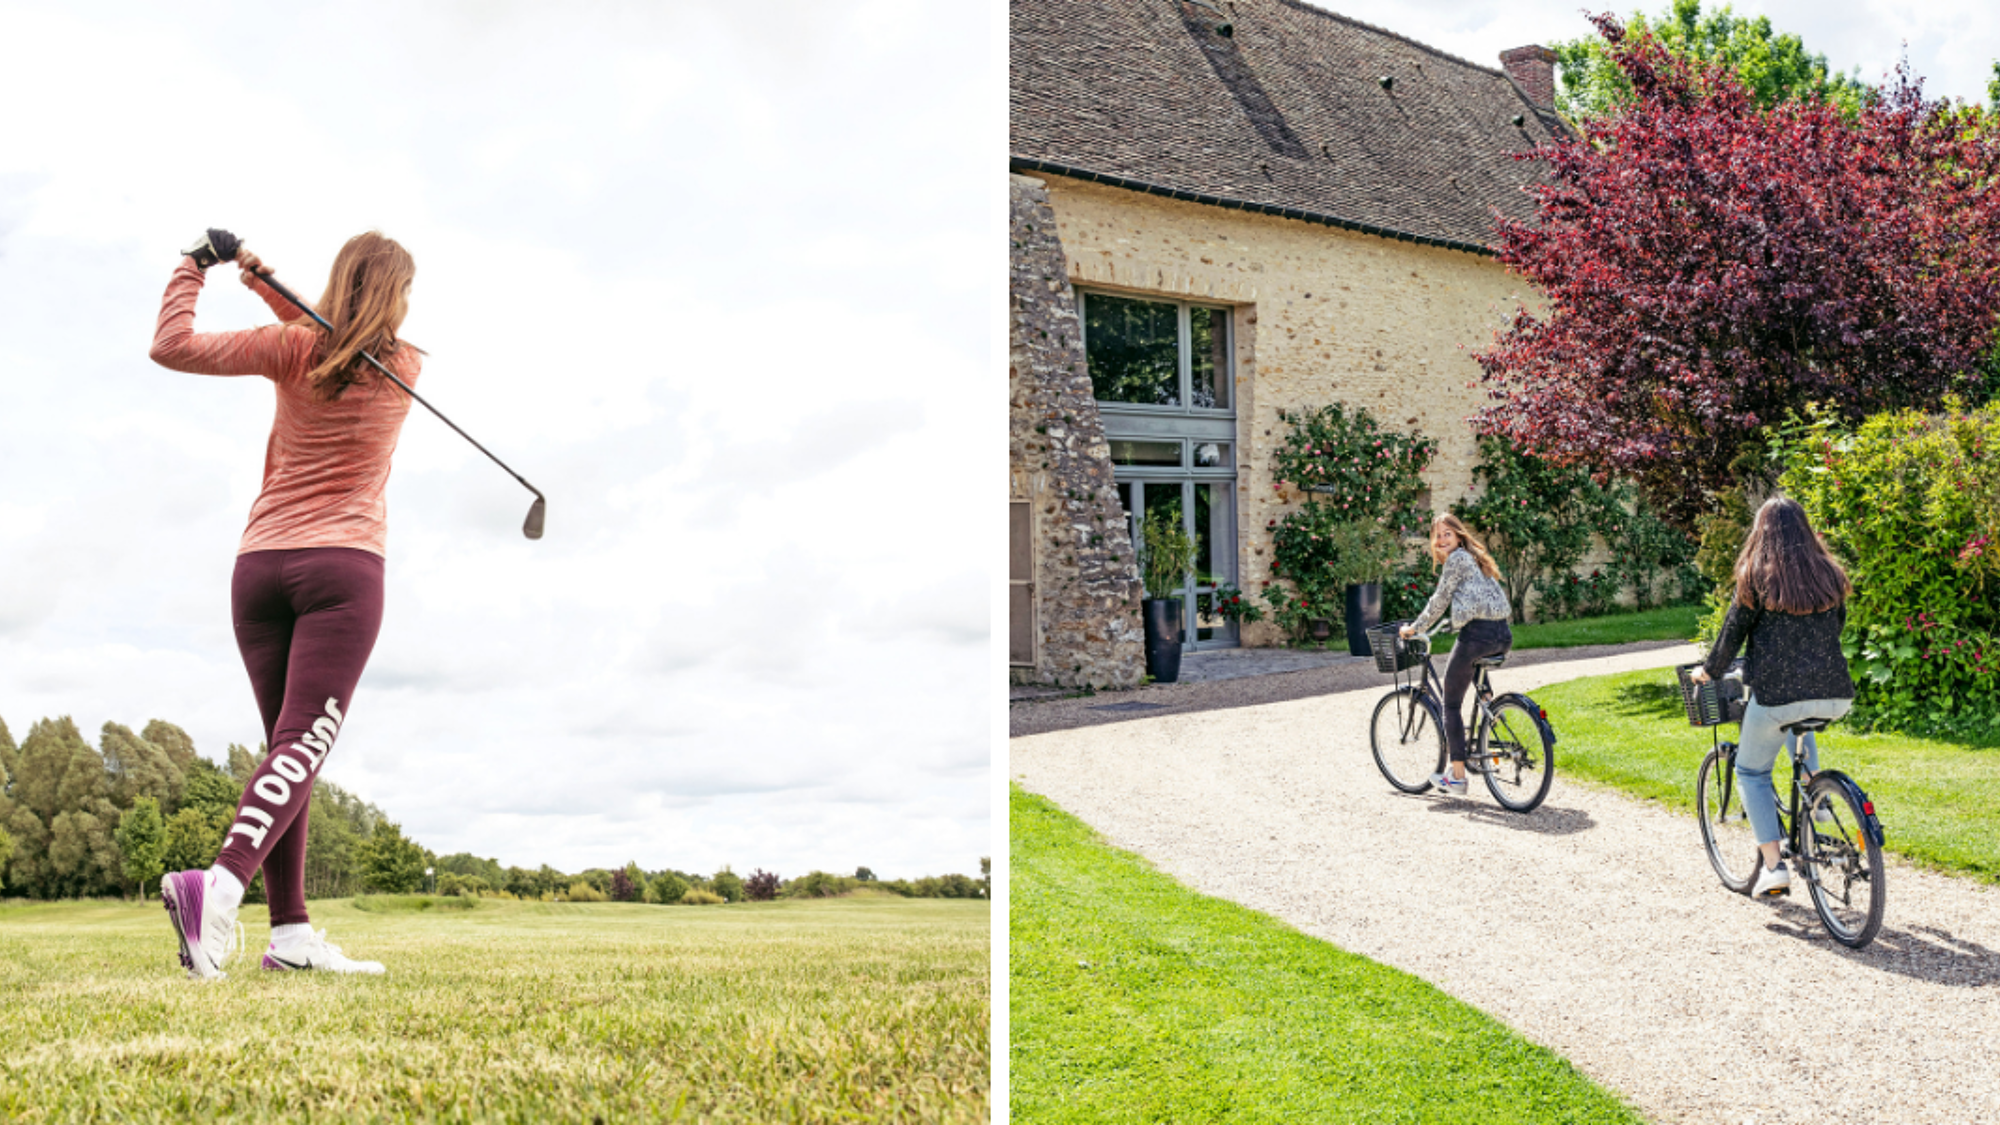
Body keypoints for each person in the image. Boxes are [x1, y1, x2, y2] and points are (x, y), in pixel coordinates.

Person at [148, 230, 424, 977]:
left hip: (259, 569)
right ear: (398, 296)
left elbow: (170, 345)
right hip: (344, 569)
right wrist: (266, 284)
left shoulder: (289, 347)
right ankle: (221, 884)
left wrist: (195, 265)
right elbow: (334, 331)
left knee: (286, 752)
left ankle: (292, 934)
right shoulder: (405, 367)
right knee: (302, 748)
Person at [1689, 496, 1855, 899]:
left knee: (1751, 772)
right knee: (1800, 716)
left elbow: (1730, 637)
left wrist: (1707, 672)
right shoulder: (1829, 575)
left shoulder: (1756, 576)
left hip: (1778, 696)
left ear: (1762, 533)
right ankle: (1815, 791)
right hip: (1836, 694)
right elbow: (1836, 626)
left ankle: (1773, 867)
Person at [1399, 514, 1513, 797]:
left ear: (1459, 536)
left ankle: (1458, 777)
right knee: (1472, 668)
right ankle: (1490, 708)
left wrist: (1415, 628)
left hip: (1477, 636)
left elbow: (1439, 599)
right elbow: (1475, 598)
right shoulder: (1475, 558)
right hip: (1501, 634)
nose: (1441, 540)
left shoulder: (1457, 559)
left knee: (1450, 705)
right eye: (1437, 535)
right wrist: (1455, 621)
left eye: (1447, 534)